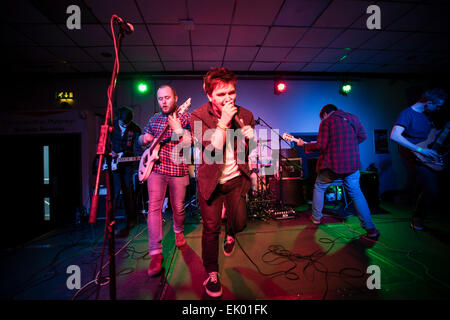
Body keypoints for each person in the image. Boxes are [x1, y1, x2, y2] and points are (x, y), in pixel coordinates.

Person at [190, 67, 257, 298]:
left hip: (236, 178)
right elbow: (212, 150)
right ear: (209, 95)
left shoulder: (246, 114)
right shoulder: (197, 116)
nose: (228, 98)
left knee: (239, 222)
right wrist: (224, 122)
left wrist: (250, 139)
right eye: (221, 94)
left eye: (231, 92)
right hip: (211, 183)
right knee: (210, 229)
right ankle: (212, 273)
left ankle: (231, 233)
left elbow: (248, 151)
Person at [296, 104, 379, 239]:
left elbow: (321, 145)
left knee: (319, 187)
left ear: (324, 114)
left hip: (333, 164)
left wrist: (304, 145)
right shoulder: (353, 118)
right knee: (356, 193)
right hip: (352, 164)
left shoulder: (327, 121)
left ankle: (316, 218)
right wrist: (348, 144)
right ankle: (370, 228)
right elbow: (363, 136)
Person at [139, 85, 192, 277]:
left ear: (176, 97)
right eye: (160, 98)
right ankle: (155, 253)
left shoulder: (186, 117)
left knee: (178, 208)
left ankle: (178, 230)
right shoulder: (154, 119)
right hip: (157, 169)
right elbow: (141, 138)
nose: (164, 101)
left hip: (178, 169)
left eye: (167, 97)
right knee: (154, 207)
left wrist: (178, 131)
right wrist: (143, 138)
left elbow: (191, 142)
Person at [390, 88, 447, 230]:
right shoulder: (407, 114)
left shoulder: (428, 116)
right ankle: (417, 218)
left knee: (434, 189)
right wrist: (421, 150)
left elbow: (431, 135)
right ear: (428, 102)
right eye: (437, 105)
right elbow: (395, 136)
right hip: (417, 156)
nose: (438, 109)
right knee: (432, 189)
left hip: (430, 154)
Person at [111, 106, 142, 238]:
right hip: (113, 163)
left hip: (127, 163)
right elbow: (101, 143)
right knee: (116, 191)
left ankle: (129, 219)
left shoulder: (135, 129)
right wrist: (111, 153)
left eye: (128, 123)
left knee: (128, 190)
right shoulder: (110, 127)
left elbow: (137, 149)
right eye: (124, 123)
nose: (126, 125)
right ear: (119, 119)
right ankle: (111, 221)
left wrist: (141, 156)